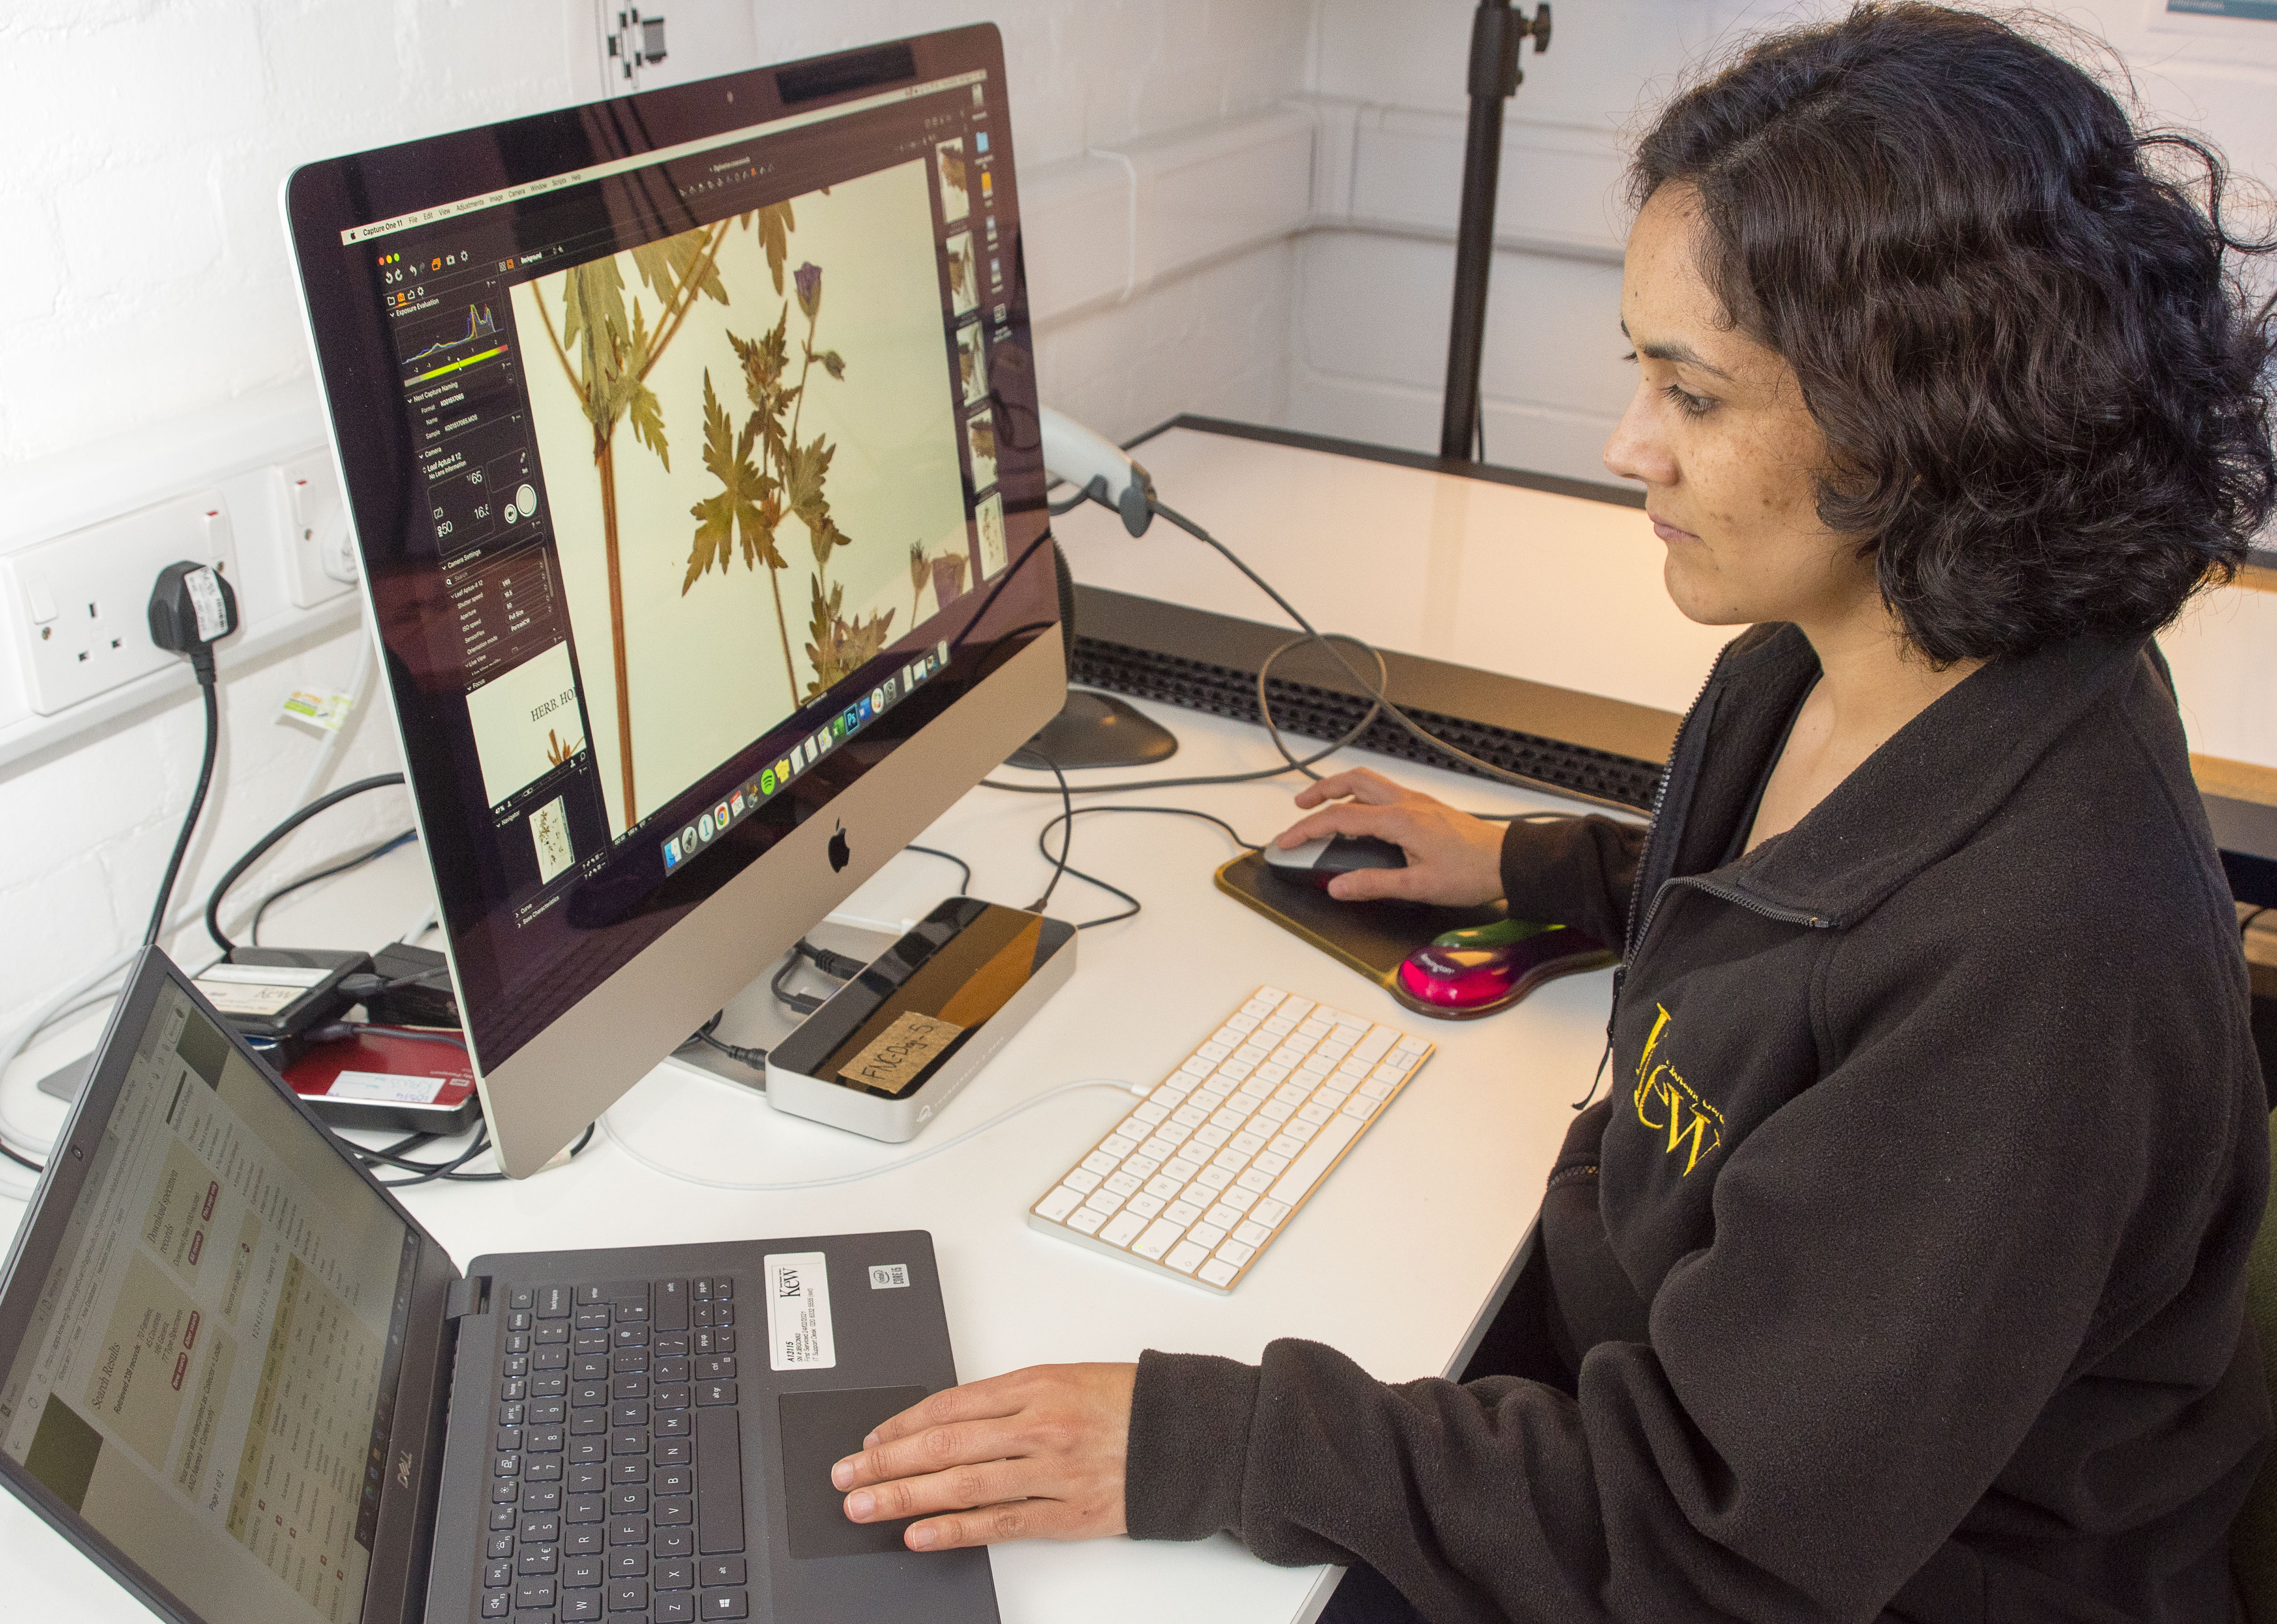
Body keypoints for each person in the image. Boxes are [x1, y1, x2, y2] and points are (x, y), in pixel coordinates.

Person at [828, 4, 2277, 1617]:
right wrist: (1531, 864)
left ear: (1937, 424)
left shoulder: (2037, 953)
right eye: (1636, 373)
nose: (1625, 446)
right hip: (1690, 1398)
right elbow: (1796, 901)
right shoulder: (1845, 660)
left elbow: (1712, 1535)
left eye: (1697, 397)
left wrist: (1206, 1438)